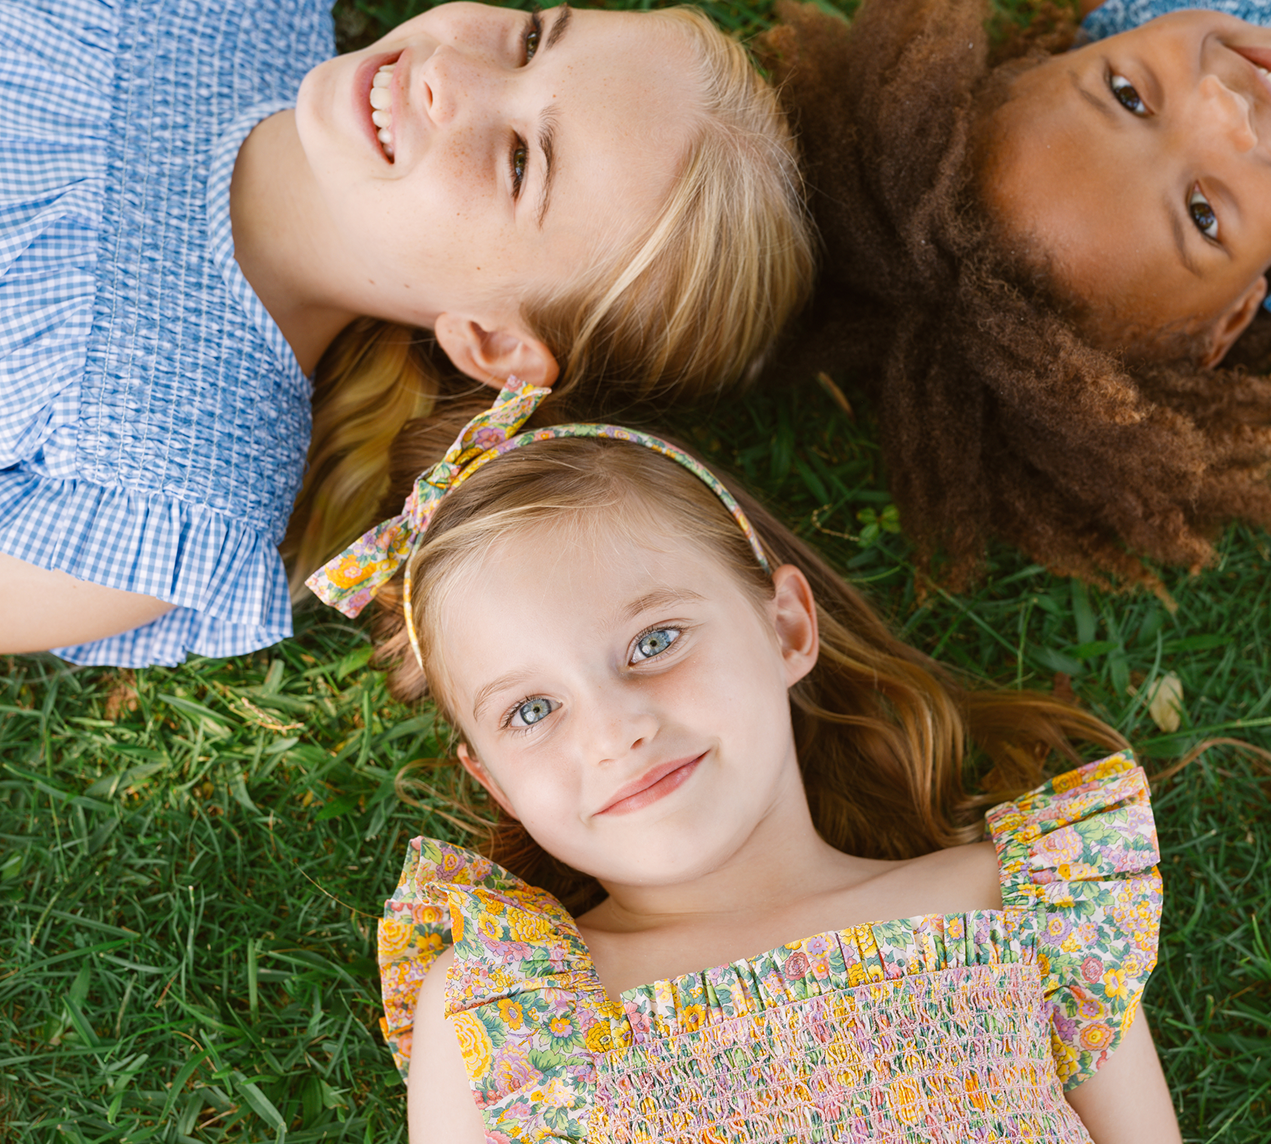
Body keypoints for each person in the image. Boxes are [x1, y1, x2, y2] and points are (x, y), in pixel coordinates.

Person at [311, 382, 1271, 1144]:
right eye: (531, 708)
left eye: (654, 641)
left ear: (788, 627)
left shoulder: (1017, 899)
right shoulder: (511, 1005)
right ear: (490, 780)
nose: (612, 728)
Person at [0, 0, 811, 667]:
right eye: (532, 38)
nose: (448, 71)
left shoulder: (164, 488)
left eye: (521, 161)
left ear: (494, 344)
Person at [767, 0, 1271, 682]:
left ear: (1046, 61)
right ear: (1230, 318)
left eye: (1129, 96)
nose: (1222, 105)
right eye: (1202, 214)